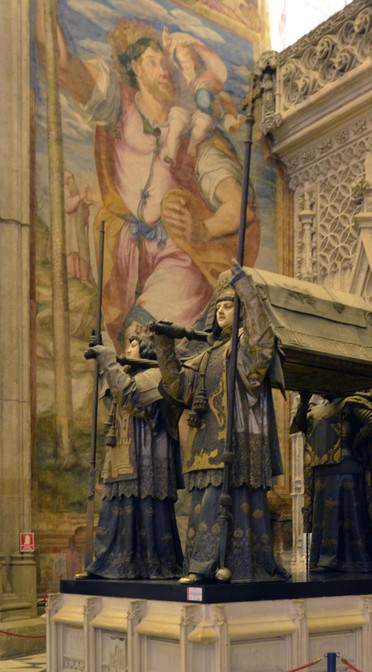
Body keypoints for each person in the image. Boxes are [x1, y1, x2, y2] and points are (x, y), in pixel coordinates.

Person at [36, 6, 259, 350]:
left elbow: (241, 208)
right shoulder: (117, 107)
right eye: (153, 62)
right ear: (135, 68)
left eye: (166, 63)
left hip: (178, 253)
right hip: (127, 255)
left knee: (143, 337)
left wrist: (203, 230)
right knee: (134, 344)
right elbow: (64, 68)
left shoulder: (193, 135)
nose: (165, 72)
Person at [150, 261, 288, 583]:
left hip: (236, 441)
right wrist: (165, 347)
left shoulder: (244, 347)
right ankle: (203, 565)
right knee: (203, 508)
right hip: (206, 445)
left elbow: (262, 349)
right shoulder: (209, 355)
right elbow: (178, 387)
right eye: (219, 307)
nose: (221, 311)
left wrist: (249, 297)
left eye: (229, 305)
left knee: (229, 504)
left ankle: (234, 565)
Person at [82, 332, 184, 579]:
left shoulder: (156, 376)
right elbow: (113, 398)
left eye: (134, 345)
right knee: (116, 509)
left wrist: (107, 358)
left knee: (147, 509)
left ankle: (152, 565)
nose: (127, 349)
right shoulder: (129, 376)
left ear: (148, 350)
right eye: (126, 344)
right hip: (122, 456)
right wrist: (104, 363)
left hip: (147, 454)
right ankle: (112, 563)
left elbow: (131, 398)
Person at [292, 392, 372, 573]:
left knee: (347, 514)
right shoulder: (315, 410)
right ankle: (326, 560)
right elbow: (296, 427)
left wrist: (355, 442)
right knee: (326, 518)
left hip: (346, 467)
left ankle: (351, 560)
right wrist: (303, 399)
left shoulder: (351, 402)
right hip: (322, 469)